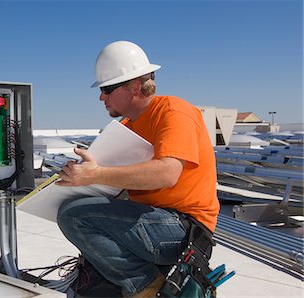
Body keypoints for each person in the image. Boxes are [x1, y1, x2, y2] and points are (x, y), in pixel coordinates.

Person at [56, 40, 220, 297]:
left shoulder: (174, 112)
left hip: (183, 228)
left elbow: (167, 173)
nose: (101, 96)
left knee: (75, 216)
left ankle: (145, 286)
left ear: (134, 87)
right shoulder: (129, 126)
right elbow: (117, 180)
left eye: (107, 89)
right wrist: (81, 177)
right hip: (156, 219)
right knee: (78, 212)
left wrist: (96, 174)